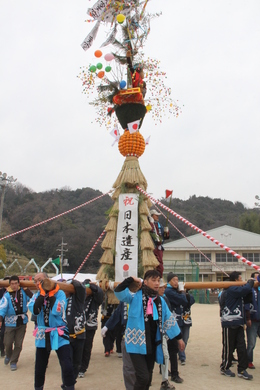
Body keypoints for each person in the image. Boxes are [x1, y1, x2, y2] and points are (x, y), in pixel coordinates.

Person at [114, 269, 184, 390]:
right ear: (145, 282)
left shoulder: (160, 300)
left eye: (158, 280)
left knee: (148, 377)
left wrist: (179, 338)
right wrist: (131, 279)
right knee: (143, 377)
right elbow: (119, 291)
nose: (157, 283)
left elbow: (169, 320)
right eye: (153, 280)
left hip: (152, 343)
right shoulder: (134, 297)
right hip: (136, 343)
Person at [28, 278, 75, 390]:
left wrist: (52, 295)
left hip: (59, 332)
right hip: (43, 333)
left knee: (66, 364)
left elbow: (59, 310)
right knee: (40, 366)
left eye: (40, 280)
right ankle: (38, 387)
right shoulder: (37, 294)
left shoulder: (60, 294)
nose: (37, 282)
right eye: (36, 280)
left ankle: (69, 386)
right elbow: (34, 310)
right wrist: (41, 295)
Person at [219, 271, 254, 380]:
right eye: (240, 278)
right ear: (235, 280)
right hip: (229, 322)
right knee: (228, 346)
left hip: (238, 322)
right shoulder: (231, 289)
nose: (241, 280)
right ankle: (224, 367)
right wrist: (249, 283)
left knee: (241, 347)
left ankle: (242, 369)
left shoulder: (237, 290)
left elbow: (248, 295)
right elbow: (245, 289)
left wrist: (249, 287)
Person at [0, 275, 32, 371]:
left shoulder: (24, 292)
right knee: (7, 342)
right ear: (9, 284)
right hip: (10, 322)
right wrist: (0, 319)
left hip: (22, 321)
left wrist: (27, 290)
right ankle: (8, 355)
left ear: (19, 283)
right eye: (12, 284)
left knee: (18, 344)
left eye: (16, 283)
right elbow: (2, 308)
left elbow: (33, 299)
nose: (14, 285)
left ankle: (14, 361)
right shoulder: (6, 295)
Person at [165, 272, 188, 383]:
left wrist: (183, 293)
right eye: (174, 280)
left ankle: (168, 371)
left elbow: (189, 301)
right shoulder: (168, 291)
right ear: (169, 281)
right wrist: (183, 292)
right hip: (170, 324)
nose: (176, 282)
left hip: (177, 322)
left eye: (177, 280)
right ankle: (174, 374)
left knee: (171, 350)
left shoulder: (174, 291)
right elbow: (183, 300)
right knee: (172, 350)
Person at [78, 279, 103, 378]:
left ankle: (83, 368)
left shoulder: (95, 299)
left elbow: (100, 293)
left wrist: (93, 286)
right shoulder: (78, 297)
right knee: (77, 347)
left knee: (87, 348)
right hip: (78, 325)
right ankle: (77, 366)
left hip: (90, 326)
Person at [65, 279, 86, 381]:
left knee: (77, 362)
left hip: (79, 334)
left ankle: (71, 381)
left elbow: (81, 288)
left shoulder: (78, 298)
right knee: (67, 361)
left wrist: (72, 281)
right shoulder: (60, 299)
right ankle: (68, 382)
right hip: (65, 335)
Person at [158, 278, 175, 390]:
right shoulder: (149, 299)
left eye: (164, 287)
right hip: (150, 332)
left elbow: (168, 315)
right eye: (161, 287)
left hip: (162, 331)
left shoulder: (164, 299)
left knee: (166, 355)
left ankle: (165, 380)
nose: (163, 289)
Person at [149, 209, 170, 277]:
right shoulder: (149, 224)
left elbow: (166, 237)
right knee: (152, 264)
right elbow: (150, 231)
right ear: (152, 216)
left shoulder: (159, 225)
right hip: (152, 246)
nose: (158, 217)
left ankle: (159, 277)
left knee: (160, 265)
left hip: (159, 247)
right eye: (156, 215)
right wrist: (151, 224)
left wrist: (166, 232)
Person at [246, 271, 260, 369]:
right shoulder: (249, 291)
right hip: (253, 319)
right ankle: (248, 361)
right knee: (251, 343)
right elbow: (246, 304)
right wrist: (248, 318)